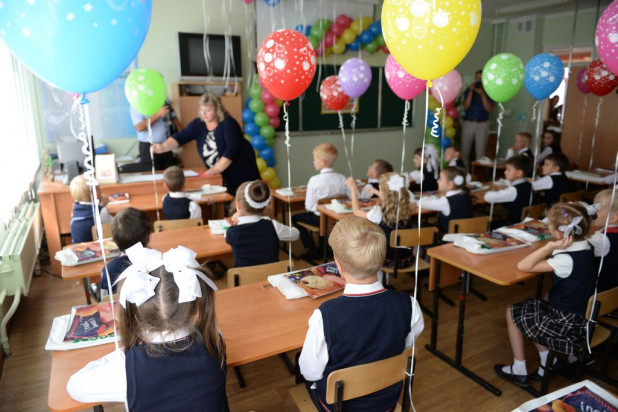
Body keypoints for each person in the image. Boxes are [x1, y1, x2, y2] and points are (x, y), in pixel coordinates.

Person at [67, 243, 229, 411]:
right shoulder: (214, 340)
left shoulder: (125, 369)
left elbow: (74, 386)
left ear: (135, 312)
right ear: (195, 307)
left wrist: (121, 356)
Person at [298, 216, 424, 411]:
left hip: (341, 407)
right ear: (381, 260)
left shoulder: (324, 316)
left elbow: (310, 372)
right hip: (387, 402)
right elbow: (404, 345)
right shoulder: (410, 305)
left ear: (339, 266)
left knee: (303, 370)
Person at [494, 203, 594, 387]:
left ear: (557, 233)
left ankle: (519, 369)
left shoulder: (565, 260)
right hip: (580, 314)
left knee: (513, 311)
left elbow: (523, 266)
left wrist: (548, 248)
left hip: (567, 324)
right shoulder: (588, 246)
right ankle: (549, 362)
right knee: (535, 307)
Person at [152, 93, 260, 195]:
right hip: (221, 174)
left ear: (217, 110)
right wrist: (163, 147)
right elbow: (181, 137)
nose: (204, 114)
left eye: (208, 110)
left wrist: (216, 169)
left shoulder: (228, 124)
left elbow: (231, 150)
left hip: (241, 171)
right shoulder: (198, 124)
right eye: (202, 110)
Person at [346, 173, 415, 270]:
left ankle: (380, 275)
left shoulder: (378, 213)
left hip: (387, 260)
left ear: (384, 193)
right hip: (407, 259)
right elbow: (392, 197)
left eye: (380, 189)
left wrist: (353, 188)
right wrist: (378, 192)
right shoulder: (409, 207)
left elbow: (356, 211)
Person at [225, 180, 299, 267]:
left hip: (244, 276)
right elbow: (296, 234)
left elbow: (227, 236)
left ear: (238, 205)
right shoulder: (273, 226)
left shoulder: (231, 232)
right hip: (272, 274)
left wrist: (233, 219)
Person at [292, 143, 347, 257]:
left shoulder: (314, 180)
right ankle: (324, 246)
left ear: (322, 162)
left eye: (315, 159)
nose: (313, 162)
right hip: (336, 218)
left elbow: (309, 206)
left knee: (295, 218)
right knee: (324, 219)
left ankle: (311, 248)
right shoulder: (342, 178)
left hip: (319, 219)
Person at [99, 208, 152, 297]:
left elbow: (105, 299)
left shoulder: (108, 270)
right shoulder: (158, 261)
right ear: (149, 236)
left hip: (120, 306)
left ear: (114, 241)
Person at [128, 99, 183, 171]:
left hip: (166, 144)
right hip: (148, 146)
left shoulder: (164, 100)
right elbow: (140, 127)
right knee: (153, 173)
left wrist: (182, 135)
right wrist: (158, 115)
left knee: (170, 172)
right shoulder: (137, 104)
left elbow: (174, 117)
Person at [483, 155, 534, 225]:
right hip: (525, 222)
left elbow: (488, 198)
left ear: (519, 173)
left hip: (514, 225)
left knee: (487, 225)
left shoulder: (513, 190)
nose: (505, 172)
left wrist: (487, 192)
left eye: (508, 170)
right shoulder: (529, 185)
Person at [421, 166, 474, 233]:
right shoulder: (466, 195)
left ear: (450, 185)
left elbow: (421, 203)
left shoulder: (445, 201)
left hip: (450, 237)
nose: (437, 181)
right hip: (467, 236)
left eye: (440, 179)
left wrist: (429, 197)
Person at [461, 70, 495, 168]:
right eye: (477, 78)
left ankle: (478, 172)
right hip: (469, 122)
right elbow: (466, 106)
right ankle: (464, 172)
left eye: (481, 79)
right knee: (465, 150)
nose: (478, 81)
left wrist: (483, 94)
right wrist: (471, 91)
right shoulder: (469, 90)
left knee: (480, 151)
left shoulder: (490, 91)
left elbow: (489, 108)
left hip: (483, 123)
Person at [587, 189, 618, 292]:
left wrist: (565, 214)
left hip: (599, 293)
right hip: (612, 293)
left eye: (597, 209)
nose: (593, 212)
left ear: (613, 218)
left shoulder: (602, 240)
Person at [69, 175, 112, 244]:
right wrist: (102, 205)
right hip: (97, 248)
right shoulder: (102, 211)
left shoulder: (75, 208)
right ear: (96, 193)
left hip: (78, 248)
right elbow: (112, 226)